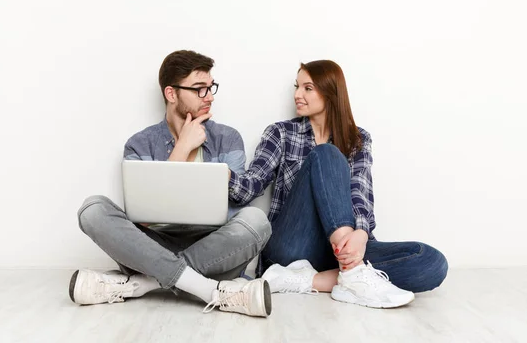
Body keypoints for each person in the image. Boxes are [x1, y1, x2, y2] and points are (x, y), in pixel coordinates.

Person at [228, 60, 448, 309]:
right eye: (297, 87)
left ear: (330, 92)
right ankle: (353, 274)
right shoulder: (280, 133)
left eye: (307, 88)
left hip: (338, 253)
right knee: (326, 154)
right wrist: (224, 177)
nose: (297, 94)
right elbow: (250, 187)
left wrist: (361, 236)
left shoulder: (358, 139)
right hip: (292, 248)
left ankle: (318, 280)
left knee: (431, 262)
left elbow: (361, 193)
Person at [70, 50, 272, 317]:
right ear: (171, 94)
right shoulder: (140, 143)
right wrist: (182, 148)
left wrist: (216, 173)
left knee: (256, 221)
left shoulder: (226, 137)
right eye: (199, 89)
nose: (209, 96)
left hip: (213, 248)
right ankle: (207, 290)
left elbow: (237, 202)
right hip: (152, 246)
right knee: (92, 209)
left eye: (211, 88)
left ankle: (145, 283)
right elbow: (143, 216)